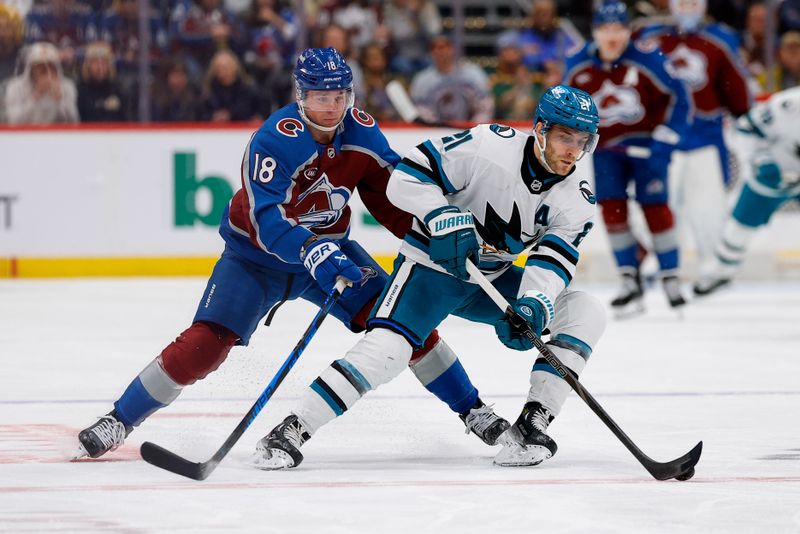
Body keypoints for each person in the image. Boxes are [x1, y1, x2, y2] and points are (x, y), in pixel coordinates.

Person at [75, 48, 508, 460]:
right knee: (206, 344)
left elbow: (391, 196)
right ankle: (119, 419)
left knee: (404, 323)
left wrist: (433, 232)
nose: (332, 107)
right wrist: (310, 248)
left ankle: (473, 410)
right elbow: (265, 218)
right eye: (321, 97)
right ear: (301, 96)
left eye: (339, 96)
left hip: (333, 255)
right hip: (254, 260)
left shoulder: (362, 132)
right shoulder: (274, 140)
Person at [254, 84, 607, 470]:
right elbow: (405, 177)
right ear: (540, 130)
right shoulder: (489, 145)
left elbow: (552, 260)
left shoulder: (577, 198)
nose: (573, 151)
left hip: (491, 279)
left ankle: (532, 422)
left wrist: (534, 303)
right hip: (430, 270)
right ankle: (293, 427)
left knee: (584, 311)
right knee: (387, 352)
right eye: (565, 138)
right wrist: (440, 215)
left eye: (582, 142)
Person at [565, 1, 692, 316]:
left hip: (648, 147)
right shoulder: (578, 64)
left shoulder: (649, 59)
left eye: (618, 28)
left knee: (655, 207)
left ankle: (670, 275)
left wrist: (667, 136)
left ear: (628, 31)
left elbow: (679, 98)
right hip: (605, 151)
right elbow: (564, 104)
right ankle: (628, 275)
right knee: (612, 209)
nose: (612, 36)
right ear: (595, 31)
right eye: (605, 29)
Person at [636, 0, 751, 285]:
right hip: (663, 139)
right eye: (682, 1)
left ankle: (712, 265)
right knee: (657, 202)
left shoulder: (720, 39)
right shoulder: (650, 39)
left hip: (704, 138)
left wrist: (745, 115)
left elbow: (737, 91)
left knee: (708, 207)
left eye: (693, 2)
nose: (688, 8)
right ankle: (660, 259)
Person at [693, 87, 800, 295]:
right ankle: (722, 272)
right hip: (771, 179)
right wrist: (762, 161)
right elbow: (743, 129)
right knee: (739, 229)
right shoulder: (789, 106)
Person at [409, 34, 494, 124]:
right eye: (434, 48)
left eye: (443, 47)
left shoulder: (474, 74)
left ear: (453, 49)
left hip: (470, 128)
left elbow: (485, 107)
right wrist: (437, 127)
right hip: (436, 130)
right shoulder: (422, 80)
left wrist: (473, 128)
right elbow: (421, 110)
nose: (439, 51)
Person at [3, 41, 79, 124]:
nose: (46, 69)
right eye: (40, 66)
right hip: (27, 131)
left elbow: (74, 121)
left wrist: (60, 101)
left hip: (55, 131)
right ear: (31, 68)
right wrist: (36, 95)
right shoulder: (15, 86)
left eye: (50, 65)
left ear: (56, 68)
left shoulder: (67, 86)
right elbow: (14, 120)